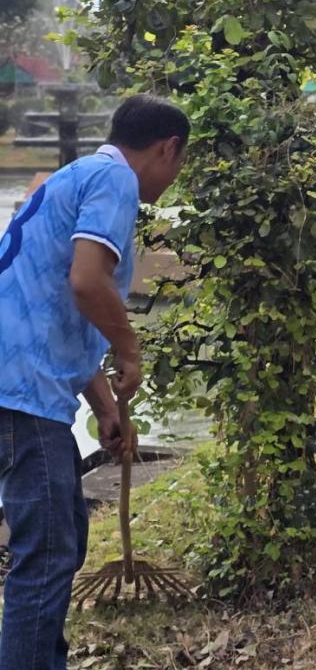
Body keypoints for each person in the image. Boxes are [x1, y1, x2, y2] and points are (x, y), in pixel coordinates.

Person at [0, 94, 188, 669]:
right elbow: (87, 282)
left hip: (18, 383)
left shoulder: (74, 176)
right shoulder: (114, 180)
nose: (176, 176)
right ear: (167, 148)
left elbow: (53, 307)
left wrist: (104, 405)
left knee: (61, 534)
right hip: (20, 395)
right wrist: (129, 349)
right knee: (51, 550)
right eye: (180, 163)